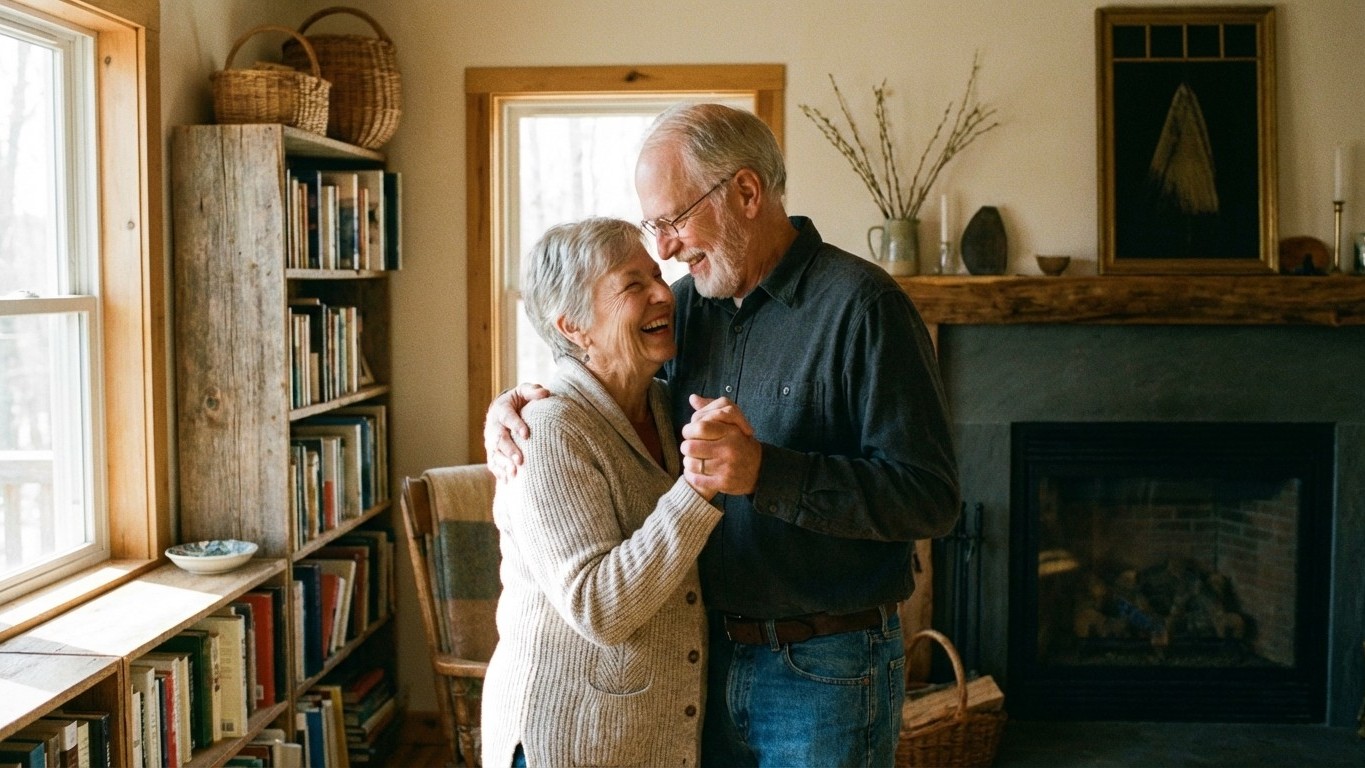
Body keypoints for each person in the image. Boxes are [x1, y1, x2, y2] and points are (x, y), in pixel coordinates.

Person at [487, 103, 961, 767]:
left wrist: (766, 471)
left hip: (824, 666)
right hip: (696, 667)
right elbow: (603, 387)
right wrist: (511, 407)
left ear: (744, 192)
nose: (664, 250)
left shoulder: (863, 308)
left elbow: (930, 499)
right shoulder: (682, 309)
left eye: (671, 220)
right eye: (652, 229)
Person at [480, 216, 725, 768]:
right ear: (573, 326)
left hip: (642, 739)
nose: (664, 294)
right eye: (632, 285)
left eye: (658, 277)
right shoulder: (545, 432)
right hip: (565, 741)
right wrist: (698, 487)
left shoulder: (666, 406)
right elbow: (597, 608)